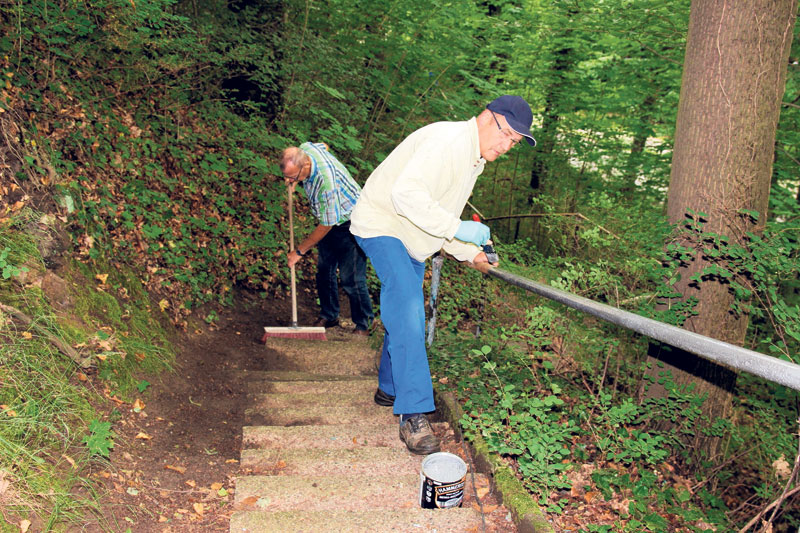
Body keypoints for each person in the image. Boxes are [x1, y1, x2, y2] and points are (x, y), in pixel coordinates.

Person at [350, 95, 536, 454]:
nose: (507, 145)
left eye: (514, 142)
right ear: (487, 118)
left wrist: (470, 253)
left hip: (413, 237)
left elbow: (442, 217)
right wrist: (461, 230)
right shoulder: (447, 142)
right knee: (407, 310)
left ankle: (390, 386)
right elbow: (406, 195)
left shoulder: (472, 159)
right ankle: (414, 414)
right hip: (383, 224)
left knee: (405, 311)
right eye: (507, 134)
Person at [279, 142, 373, 335]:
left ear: (305, 166)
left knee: (351, 277)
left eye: (292, 176)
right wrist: (294, 179)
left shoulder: (326, 184)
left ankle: (364, 323)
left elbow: (326, 225)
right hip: (330, 218)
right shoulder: (306, 149)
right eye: (287, 176)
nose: (288, 180)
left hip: (352, 221)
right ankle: (329, 315)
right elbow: (325, 146)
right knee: (324, 270)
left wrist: (299, 251)